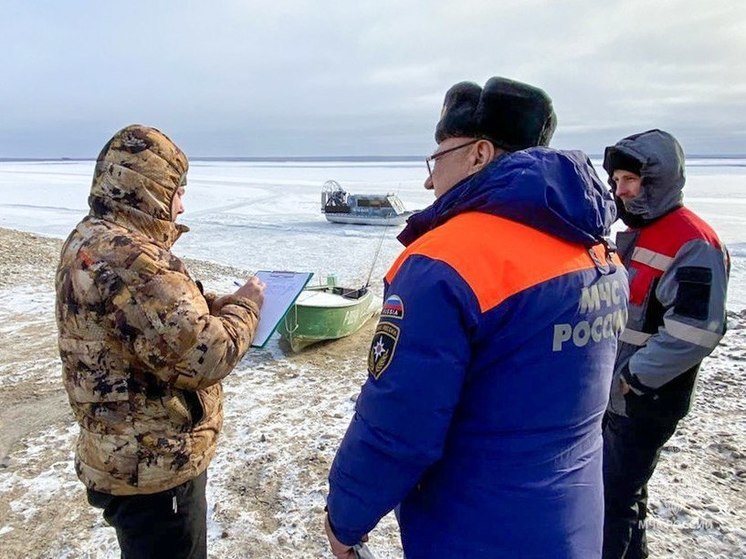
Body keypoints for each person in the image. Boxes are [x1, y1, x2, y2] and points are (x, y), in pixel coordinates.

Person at [324, 77, 629, 558]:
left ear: (479, 154)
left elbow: (401, 420)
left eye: (437, 158)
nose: (428, 180)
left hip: (476, 528)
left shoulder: (445, 262)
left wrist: (346, 517)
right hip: (574, 521)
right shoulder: (597, 252)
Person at [55, 124, 265, 559]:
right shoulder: (130, 256)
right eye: (177, 189)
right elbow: (204, 356)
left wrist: (211, 301)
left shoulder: (90, 237)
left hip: (123, 458)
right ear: (148, 188)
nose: (182, 204)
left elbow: (145, 317)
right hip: (154, 467)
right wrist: (246, 307)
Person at [601, 129, 729, 559]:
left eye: (629, 181)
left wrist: (629, 379)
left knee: (611, 504)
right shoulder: (635, 234)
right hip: (620, 394)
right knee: (623, 499)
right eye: (616, 181)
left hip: (643, 398)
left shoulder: (692, 242)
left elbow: (695, 332)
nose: (621, 192)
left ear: (659, 179)